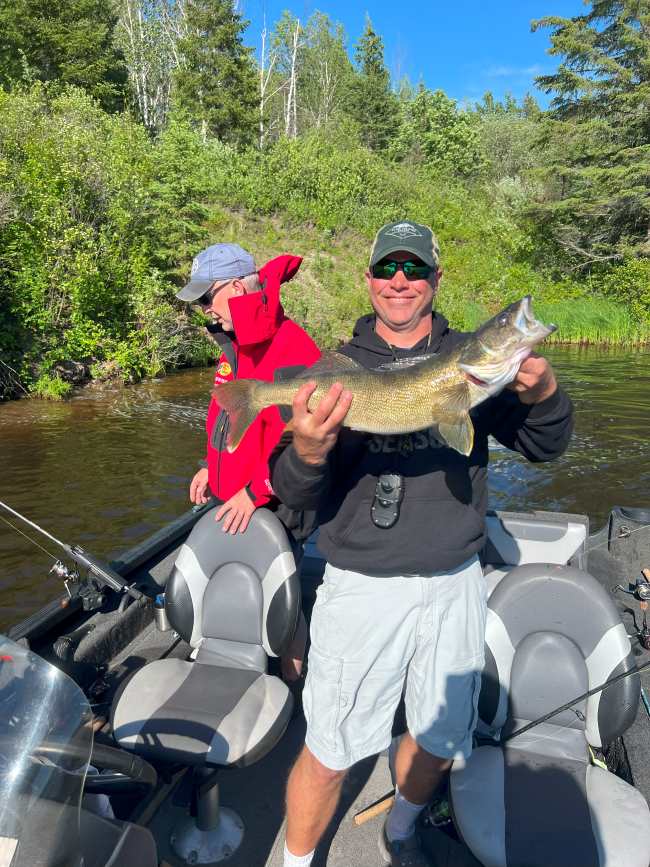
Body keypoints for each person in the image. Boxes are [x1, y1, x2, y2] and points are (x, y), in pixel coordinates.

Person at [269, 220, 574, 867]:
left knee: (439, 740)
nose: (400, 280)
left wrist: (544, 393)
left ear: (436, 279)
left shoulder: (471, 362)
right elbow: (293, 493)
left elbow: (547, 445)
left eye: (414, 269)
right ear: (370, 279)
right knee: (328, 753)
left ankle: (399, 830)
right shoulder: (337, 369)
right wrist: (306, 448)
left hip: (455, 580)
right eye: (387, 268)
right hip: (361, 588)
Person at [176, 242, 320, 680]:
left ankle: (295, 691)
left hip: (273, 499)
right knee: (252, 588)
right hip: (233, 496)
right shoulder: (235, 345)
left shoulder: (292, 347)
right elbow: (228, 418)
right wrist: (209, 465)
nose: (204, 310)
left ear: (237, 287)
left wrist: (255, 490)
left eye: (207, 297)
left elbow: (299, 440)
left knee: (284, 597)